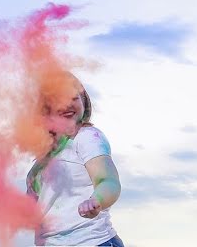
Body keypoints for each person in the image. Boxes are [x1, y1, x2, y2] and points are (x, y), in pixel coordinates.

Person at [27, 73, 124, 247]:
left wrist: (97, 200)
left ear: (84, 101)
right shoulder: (39, 165)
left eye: (74, 97)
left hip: (92, 242)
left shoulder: (87, 137)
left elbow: (108, 180)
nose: (68, 104)